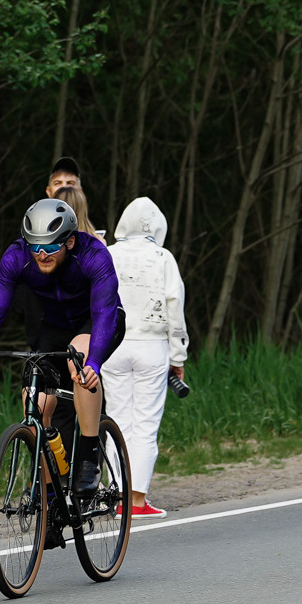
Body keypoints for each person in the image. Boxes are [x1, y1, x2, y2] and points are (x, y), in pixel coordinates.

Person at [0, 197, 125, 494]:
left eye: (50, 246)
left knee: (78, 360)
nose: (41, 253)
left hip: (98, 320)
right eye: (35, 245)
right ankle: (49, 492)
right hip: (54, 325)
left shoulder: (94, 255)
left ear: (70, 242)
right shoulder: (17, 256)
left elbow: (104, 313)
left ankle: (88, 460)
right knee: (33, 398)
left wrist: (94, 364)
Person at [102, 197, 187, 518]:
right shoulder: (163, 257)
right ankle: (136, 501)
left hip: (112, 346)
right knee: (145, 423)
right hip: (152, 346)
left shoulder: (107, 254)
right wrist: (178, 356)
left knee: (118, 418)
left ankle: (117, 495)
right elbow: (174, 307)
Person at [46, 157, 99, 236]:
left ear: (80, 191)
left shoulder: (95, 241)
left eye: (70, 183)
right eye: (58, 183)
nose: (64, 187)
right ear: (48, 191)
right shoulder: (35, 228)